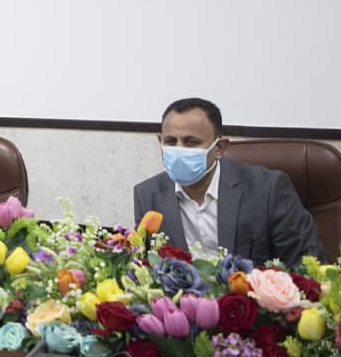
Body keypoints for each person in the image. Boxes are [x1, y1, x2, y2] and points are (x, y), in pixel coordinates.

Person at [133, 97, 322, 266]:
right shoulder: (147, 196)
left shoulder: (268, 189)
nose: (180, 150)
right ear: (160, 142)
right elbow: (146, 269)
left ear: (219, 148)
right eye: (171, 141)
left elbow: (306, 267)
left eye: (191, 142)